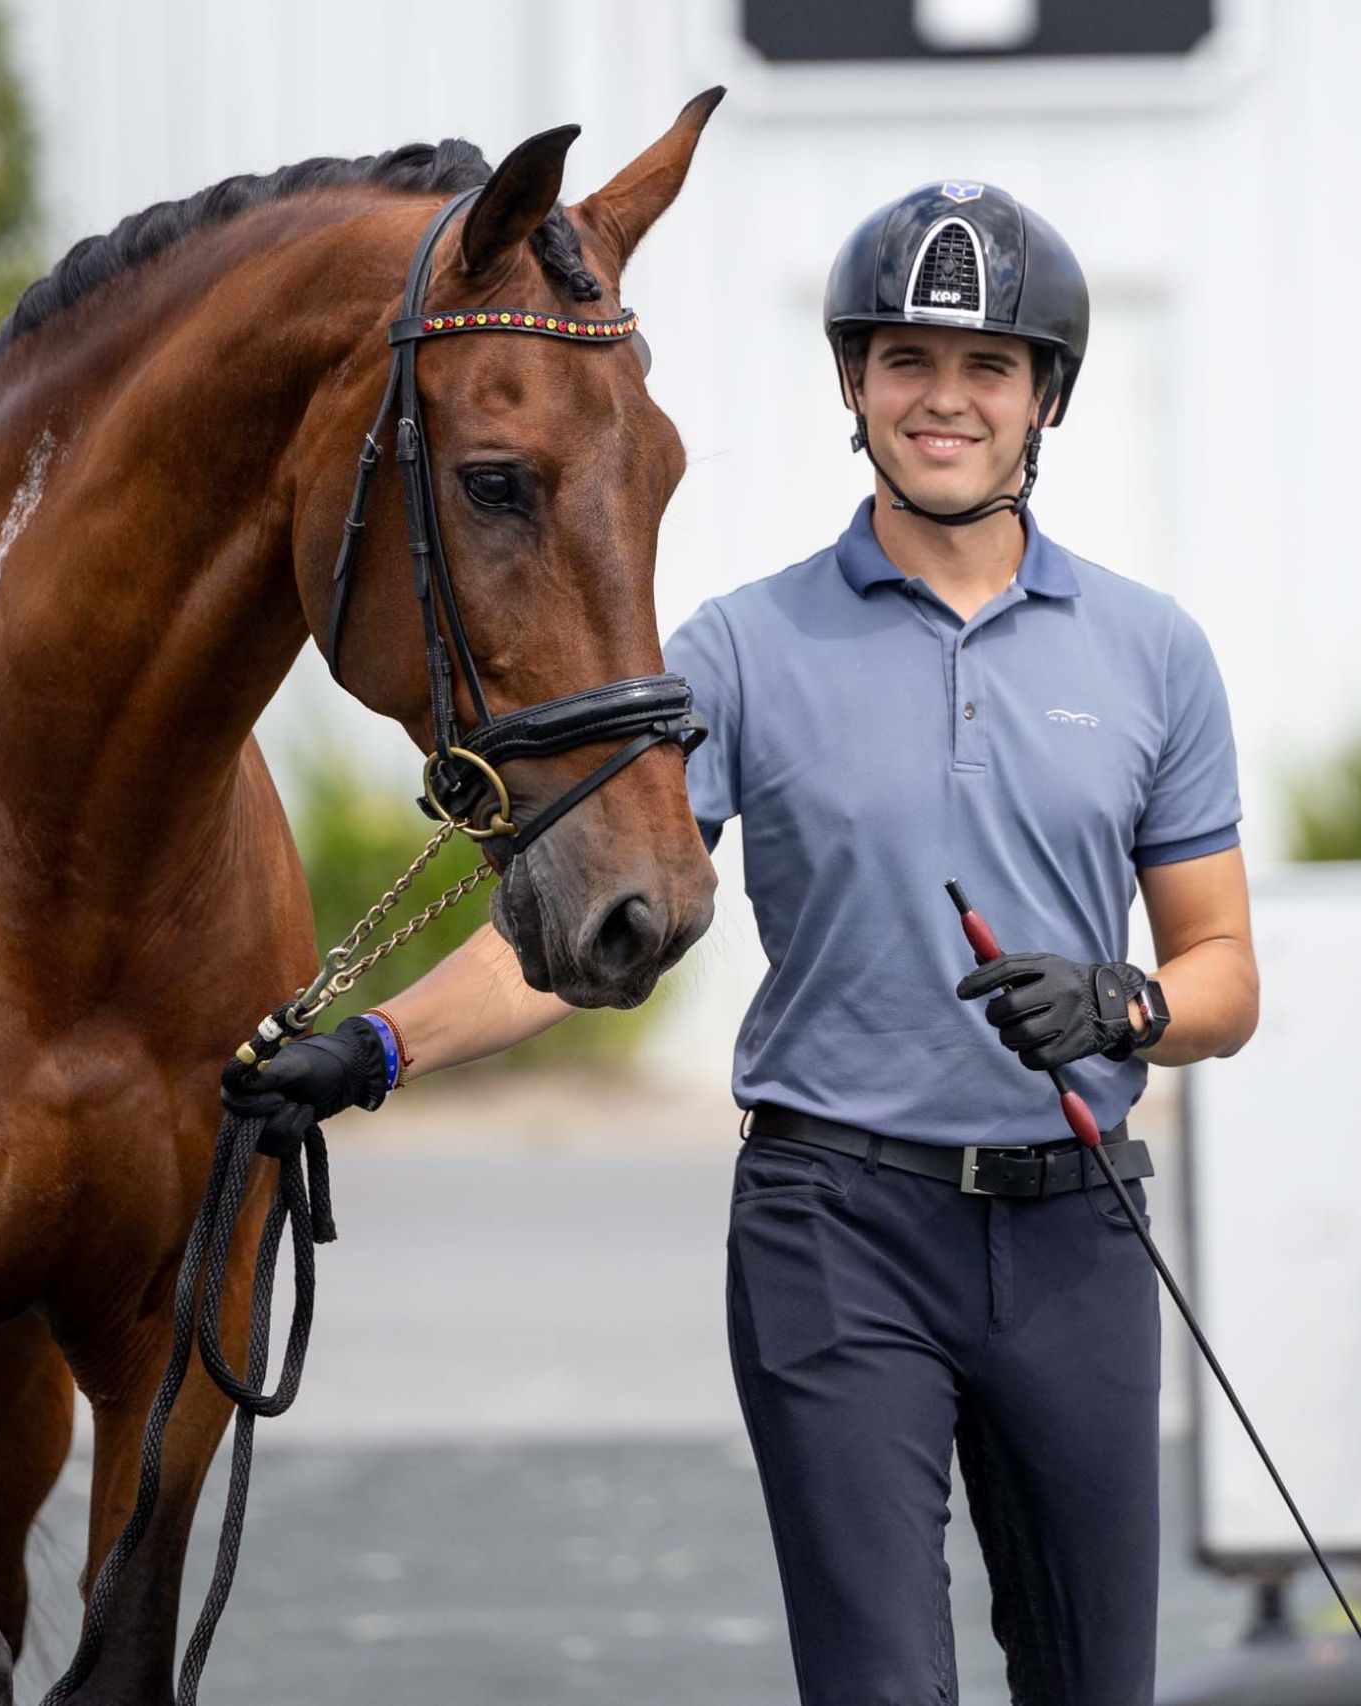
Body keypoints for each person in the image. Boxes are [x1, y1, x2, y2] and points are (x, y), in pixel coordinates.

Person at [230, 180, 1258, 1706]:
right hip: (837, 1226)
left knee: (1095, 1683)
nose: (946, 399)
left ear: (1046, 395)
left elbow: (1225, 974)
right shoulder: (738, 650)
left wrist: (1123, 999)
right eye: (906, 360)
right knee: (877, 1686)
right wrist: (374, 1046)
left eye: (989, 366)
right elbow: (572, 939)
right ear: (854, 383)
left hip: (1075, 1237)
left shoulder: (1153, 650)